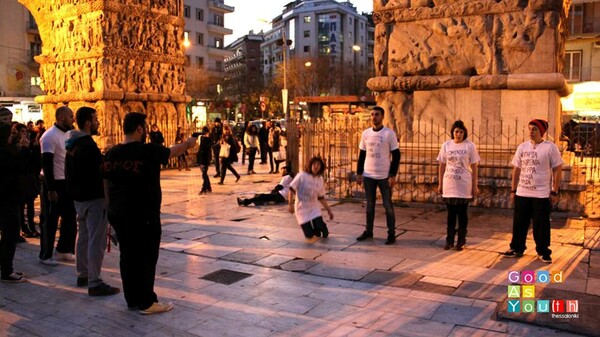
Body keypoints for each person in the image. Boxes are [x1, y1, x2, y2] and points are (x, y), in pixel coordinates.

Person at [103, 112, 197, 315]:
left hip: (118, 213)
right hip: (143, 214)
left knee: (127, 256)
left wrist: (111, 207)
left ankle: (132, 299)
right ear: (139, 129)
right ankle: (146, 302)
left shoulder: (111, 154)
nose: (146, 130)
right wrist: (189, 143)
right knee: (146, 257)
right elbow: (172, 152)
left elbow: (106, 183)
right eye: (144, 127)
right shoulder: (147, 150)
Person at [65, 107, 120, 296]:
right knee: (96, 240)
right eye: (96, 120)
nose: (98, 123)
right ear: (88, 123)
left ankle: (83, 273)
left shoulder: (72, 143)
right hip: (94, 198)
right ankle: (95, 282)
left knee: (84, 236)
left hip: (79, 198)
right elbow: (101, 170)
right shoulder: (87, 145)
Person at [504, 119, 563, 263]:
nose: (531, 131)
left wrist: (554, 190)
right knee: (519, 222)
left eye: (535, 129)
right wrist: (513, 190)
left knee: (541, 224)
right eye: (530, 128)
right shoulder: (522, 147)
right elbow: (516, 169)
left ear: (541, 131)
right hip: (523, 192)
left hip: (541, 193)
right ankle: (517, 247)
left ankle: (543, 251)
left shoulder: (550, 148)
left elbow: (557, 169)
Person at [356, 106, 401, 245]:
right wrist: (359, 173)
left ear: (382, 117)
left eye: (377, 114)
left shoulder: (389, 134)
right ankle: (369, 231)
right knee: (370, 205)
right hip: (369, 174)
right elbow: (362, 154)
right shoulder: (366, 134)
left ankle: (391, 233)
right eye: (372, 114)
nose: (374, 117)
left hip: (384, 176)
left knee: (388, 205)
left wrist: (392, 175)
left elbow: (396, 155)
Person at [39, 106, 77, 266]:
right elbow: (47, 164)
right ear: (61, 118)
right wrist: (51, 189)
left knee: (70, 218)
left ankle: (64, 250)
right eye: (70, 116)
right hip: (53, 182)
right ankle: (45, 255)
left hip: (66, 181)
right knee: (50, 220)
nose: (73, 119)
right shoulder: (49, 136)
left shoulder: (68, 134)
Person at [437, 120, 480, 251]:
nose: (458, 134)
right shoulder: (446, 145)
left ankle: (461, 239)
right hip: (450, 183)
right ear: (453, 132)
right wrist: (440, 184)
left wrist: (475, 186)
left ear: (464, 133)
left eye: (461, 132)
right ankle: (449, 239)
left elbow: (474, 166)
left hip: (464, 185)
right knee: (451, 214)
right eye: (456, 131)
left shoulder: (469, 146)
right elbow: (442, 165)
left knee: (462, 213)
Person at [0, 123, 27, 283]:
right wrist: (23, 149)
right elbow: (19, 168)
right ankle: (7, 271)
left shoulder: (7, 150)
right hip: (7, 199)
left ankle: (6, 267)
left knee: (8, 235)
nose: (13, 135)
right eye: (10, 133)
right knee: (10, 235)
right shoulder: (4, 153)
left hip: (10, 198)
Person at [288, 157, 333, 239]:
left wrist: (328, 210)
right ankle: (314, 230)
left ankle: (322, 227)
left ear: (321, 168)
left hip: (313, 208)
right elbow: (291, 189)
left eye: (318, 165)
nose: (316, 166)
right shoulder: (302, 175)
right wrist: (290, 204)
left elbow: (321, 197)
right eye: (314, 164)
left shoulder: (320, 180)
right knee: (309, 235)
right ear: (310, 165)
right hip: (301, 209)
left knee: (319, 227)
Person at [196, 126, 212, 194]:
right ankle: (208, 187)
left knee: (204, 174)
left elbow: (208, 148)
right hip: (202, 157)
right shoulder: (201, 138)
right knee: (204, 174)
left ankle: (204, 188)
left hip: (205, 158)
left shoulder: (209, 139)